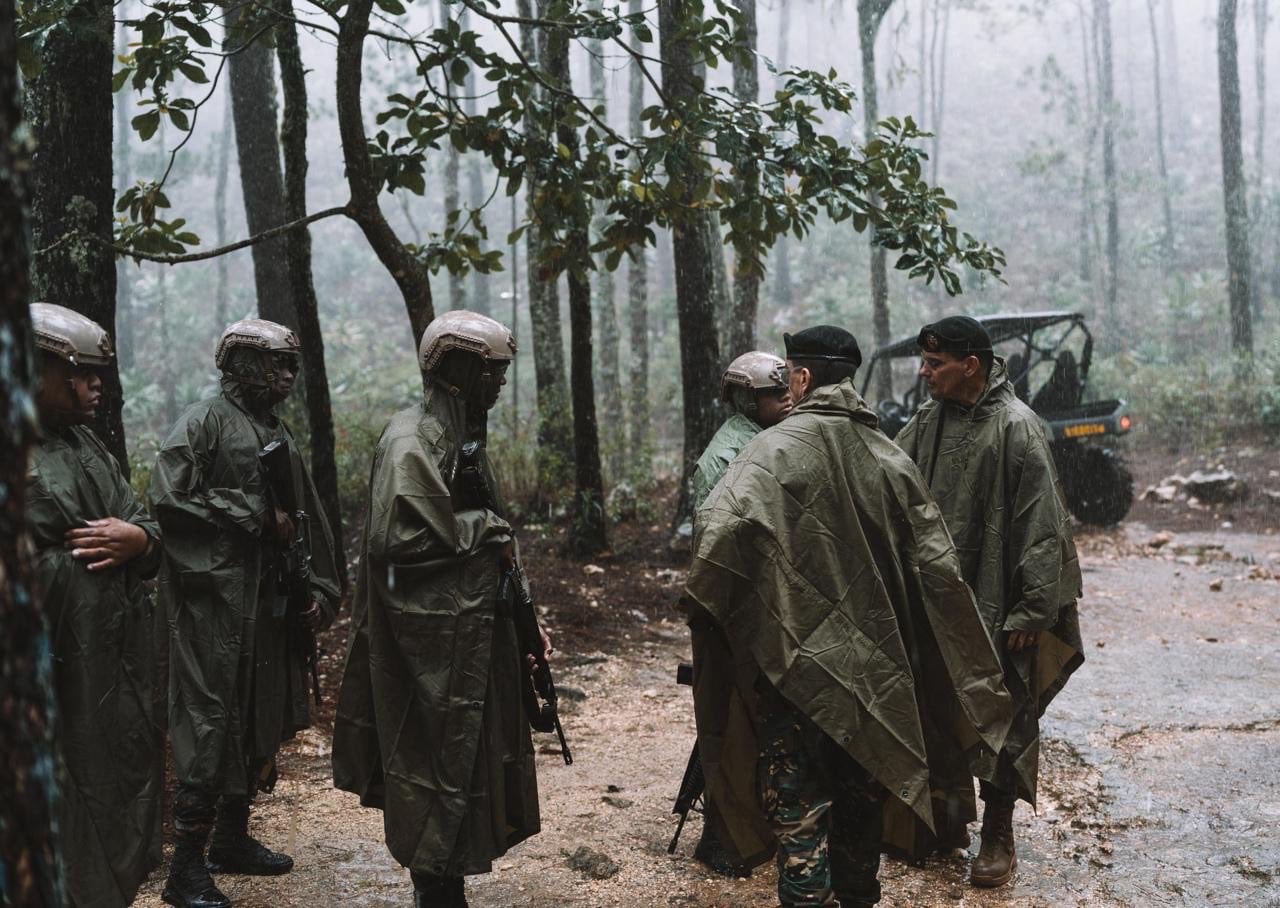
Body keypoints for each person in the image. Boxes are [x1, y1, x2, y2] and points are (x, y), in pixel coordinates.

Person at [686, 325, 1012, 907]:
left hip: (791, 669)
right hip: (875, 671)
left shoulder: (767, 453)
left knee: (797, 798)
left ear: (805, 378)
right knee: (863, 789)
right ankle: (859, 892)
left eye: (789, 374)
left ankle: (807, 896)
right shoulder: (889, 457)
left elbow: (715, 541)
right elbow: (937, 567)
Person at [332, 310, 547, 908]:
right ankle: (436, 889)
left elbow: (484, 539)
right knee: (433, 760)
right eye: (491, 371)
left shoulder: (459, 435)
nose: (500, 383)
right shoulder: (412, 440)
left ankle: (445, 885)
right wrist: (483, 528)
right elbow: (398, 543)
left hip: (467, 635)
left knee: (463, 759)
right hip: (424, 643)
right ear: (457, 372)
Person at [152, 318, 341, 908]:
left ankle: (231, 838)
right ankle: (184, 869)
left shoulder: (275, 430)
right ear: (238, 364)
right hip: (212, 603)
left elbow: (303, 519)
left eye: (290, 363)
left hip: (266, 602)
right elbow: (169, 500)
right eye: (273, 362)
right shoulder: (202, 423)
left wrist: (314, 588)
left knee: (258, 712)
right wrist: (252, 513)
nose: (286, 373)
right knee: (209, 720)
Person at [896, 315, 1083, 888]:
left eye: (934, 364)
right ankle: (943, 824)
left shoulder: (1018, 428)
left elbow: (1042, 522)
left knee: (1004, 709)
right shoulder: (928, 420)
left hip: (1000, 599)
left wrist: (1033, 608)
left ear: (969, 365)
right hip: (939, 596)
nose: (924, 373)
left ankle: (998, 834)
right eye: (924, 363)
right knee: (936, 704)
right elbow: (890, 476)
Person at [25, 303, 165, 908]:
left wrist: (140, 540)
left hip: (109, 669)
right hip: (43, 673)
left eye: (97, 374)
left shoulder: (86, 444)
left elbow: (141, 522)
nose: (96, 386)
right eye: (80, 375)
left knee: (110, 794)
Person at [686, 351, 793, 876]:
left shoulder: (760, 442)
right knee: (729, 723)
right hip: (730, 607)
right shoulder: (728, 455)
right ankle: (724, 837)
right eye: (776, 393)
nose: (787, 399)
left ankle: (748, 828)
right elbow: (721, 544)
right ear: (750, 400)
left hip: (751, 604)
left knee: (749, 721)